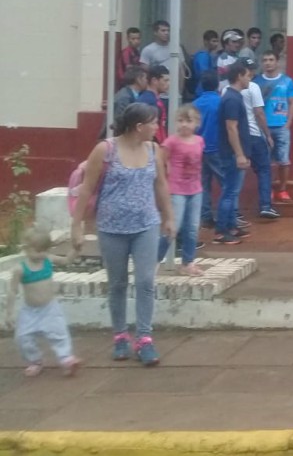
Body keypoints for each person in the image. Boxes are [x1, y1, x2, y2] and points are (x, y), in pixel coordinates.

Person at [71, 102, 175, 366]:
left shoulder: (153, 150)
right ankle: (120, 336)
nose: (157, 127)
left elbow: (161, 184)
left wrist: (169, 217)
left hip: (146, 226)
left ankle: (144, 338)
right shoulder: (105, 150)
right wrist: (76, 226)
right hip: (111, 228)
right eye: (154, 123)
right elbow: (86, 189)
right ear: (139, 127)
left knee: (145, 281)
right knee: (117, 283)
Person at [6, 228, 82, 377]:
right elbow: (12, 291)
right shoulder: (20, 269)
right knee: (22, 338)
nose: (41, 254)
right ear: (26, 249)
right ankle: (35, 360)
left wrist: (76, 250)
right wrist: (9, 313)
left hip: (50, 308)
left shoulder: (48, 260)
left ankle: (66, 358)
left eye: (44, 250)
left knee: (59, 333)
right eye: (38, 251)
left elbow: (66, 260)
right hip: (29, 311)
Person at [158, 104, 206, 276]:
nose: (184, 124)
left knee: (192, 227)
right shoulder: (171, 142)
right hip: (176, 189)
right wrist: (163, 181)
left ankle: (188, 262)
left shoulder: (200, 141)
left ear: (196, 123)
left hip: (195, 189)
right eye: (180, 120)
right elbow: (160, 162)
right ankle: (154, 261)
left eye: (188, 121)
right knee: (173, 227)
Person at [215, 62, 253, 245]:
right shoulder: (232, 99)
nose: (249, 79)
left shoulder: (232, 97)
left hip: (231, 152)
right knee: (230, 192)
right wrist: (239, 154)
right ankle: (222, 230)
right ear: (239, 76)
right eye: (247, 75)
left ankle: (231, 226)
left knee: (232, 191)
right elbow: (231, 128)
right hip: (231, 153)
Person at [255, 50, 293, 202]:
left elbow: (292, 102)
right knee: (265, 162)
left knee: (284, 161)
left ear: (277, 62)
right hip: (263, 127)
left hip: (281, 127)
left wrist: (288, 123)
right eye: (265, 60)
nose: (268, 63)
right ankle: (268, 189)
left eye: (271, 59)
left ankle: (283, 189)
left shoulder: (287, 81)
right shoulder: (257, 82)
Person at [240, 58, 279, 221]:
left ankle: (234, 211)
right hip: (254, 134)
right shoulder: (253, 87)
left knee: (237, 174)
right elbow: (259, 113)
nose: (253, 72)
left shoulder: (227, 88)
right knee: (264, 169)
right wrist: (268, 134)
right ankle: (265, 205)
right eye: (250, 69)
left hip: (237, 135)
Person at [193, 72, 223, 228]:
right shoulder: (220, 102)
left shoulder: (195, 104)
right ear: (217, 85)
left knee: (204, 184)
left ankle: (206, 216)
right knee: (227, 184)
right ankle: (226, 216)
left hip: (199, 149)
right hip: (217, 148)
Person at [138, 65, 169, 143]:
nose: (168, 84)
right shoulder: (148, 101)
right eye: (165, 80)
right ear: (154, 80)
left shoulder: (154, 99)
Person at [112, 65, 148, 131]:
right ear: (138, 80)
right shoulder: (124, 98)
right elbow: (118, 122)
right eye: (146, 78)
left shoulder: (133, 94)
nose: (147, 81)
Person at [190, 30, 220, 98]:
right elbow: (205, 74)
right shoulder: (203, 55)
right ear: (206, 41)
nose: (216, 44)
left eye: (217, 41)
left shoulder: (208, 54)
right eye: (213, 41)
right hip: (203, 91)